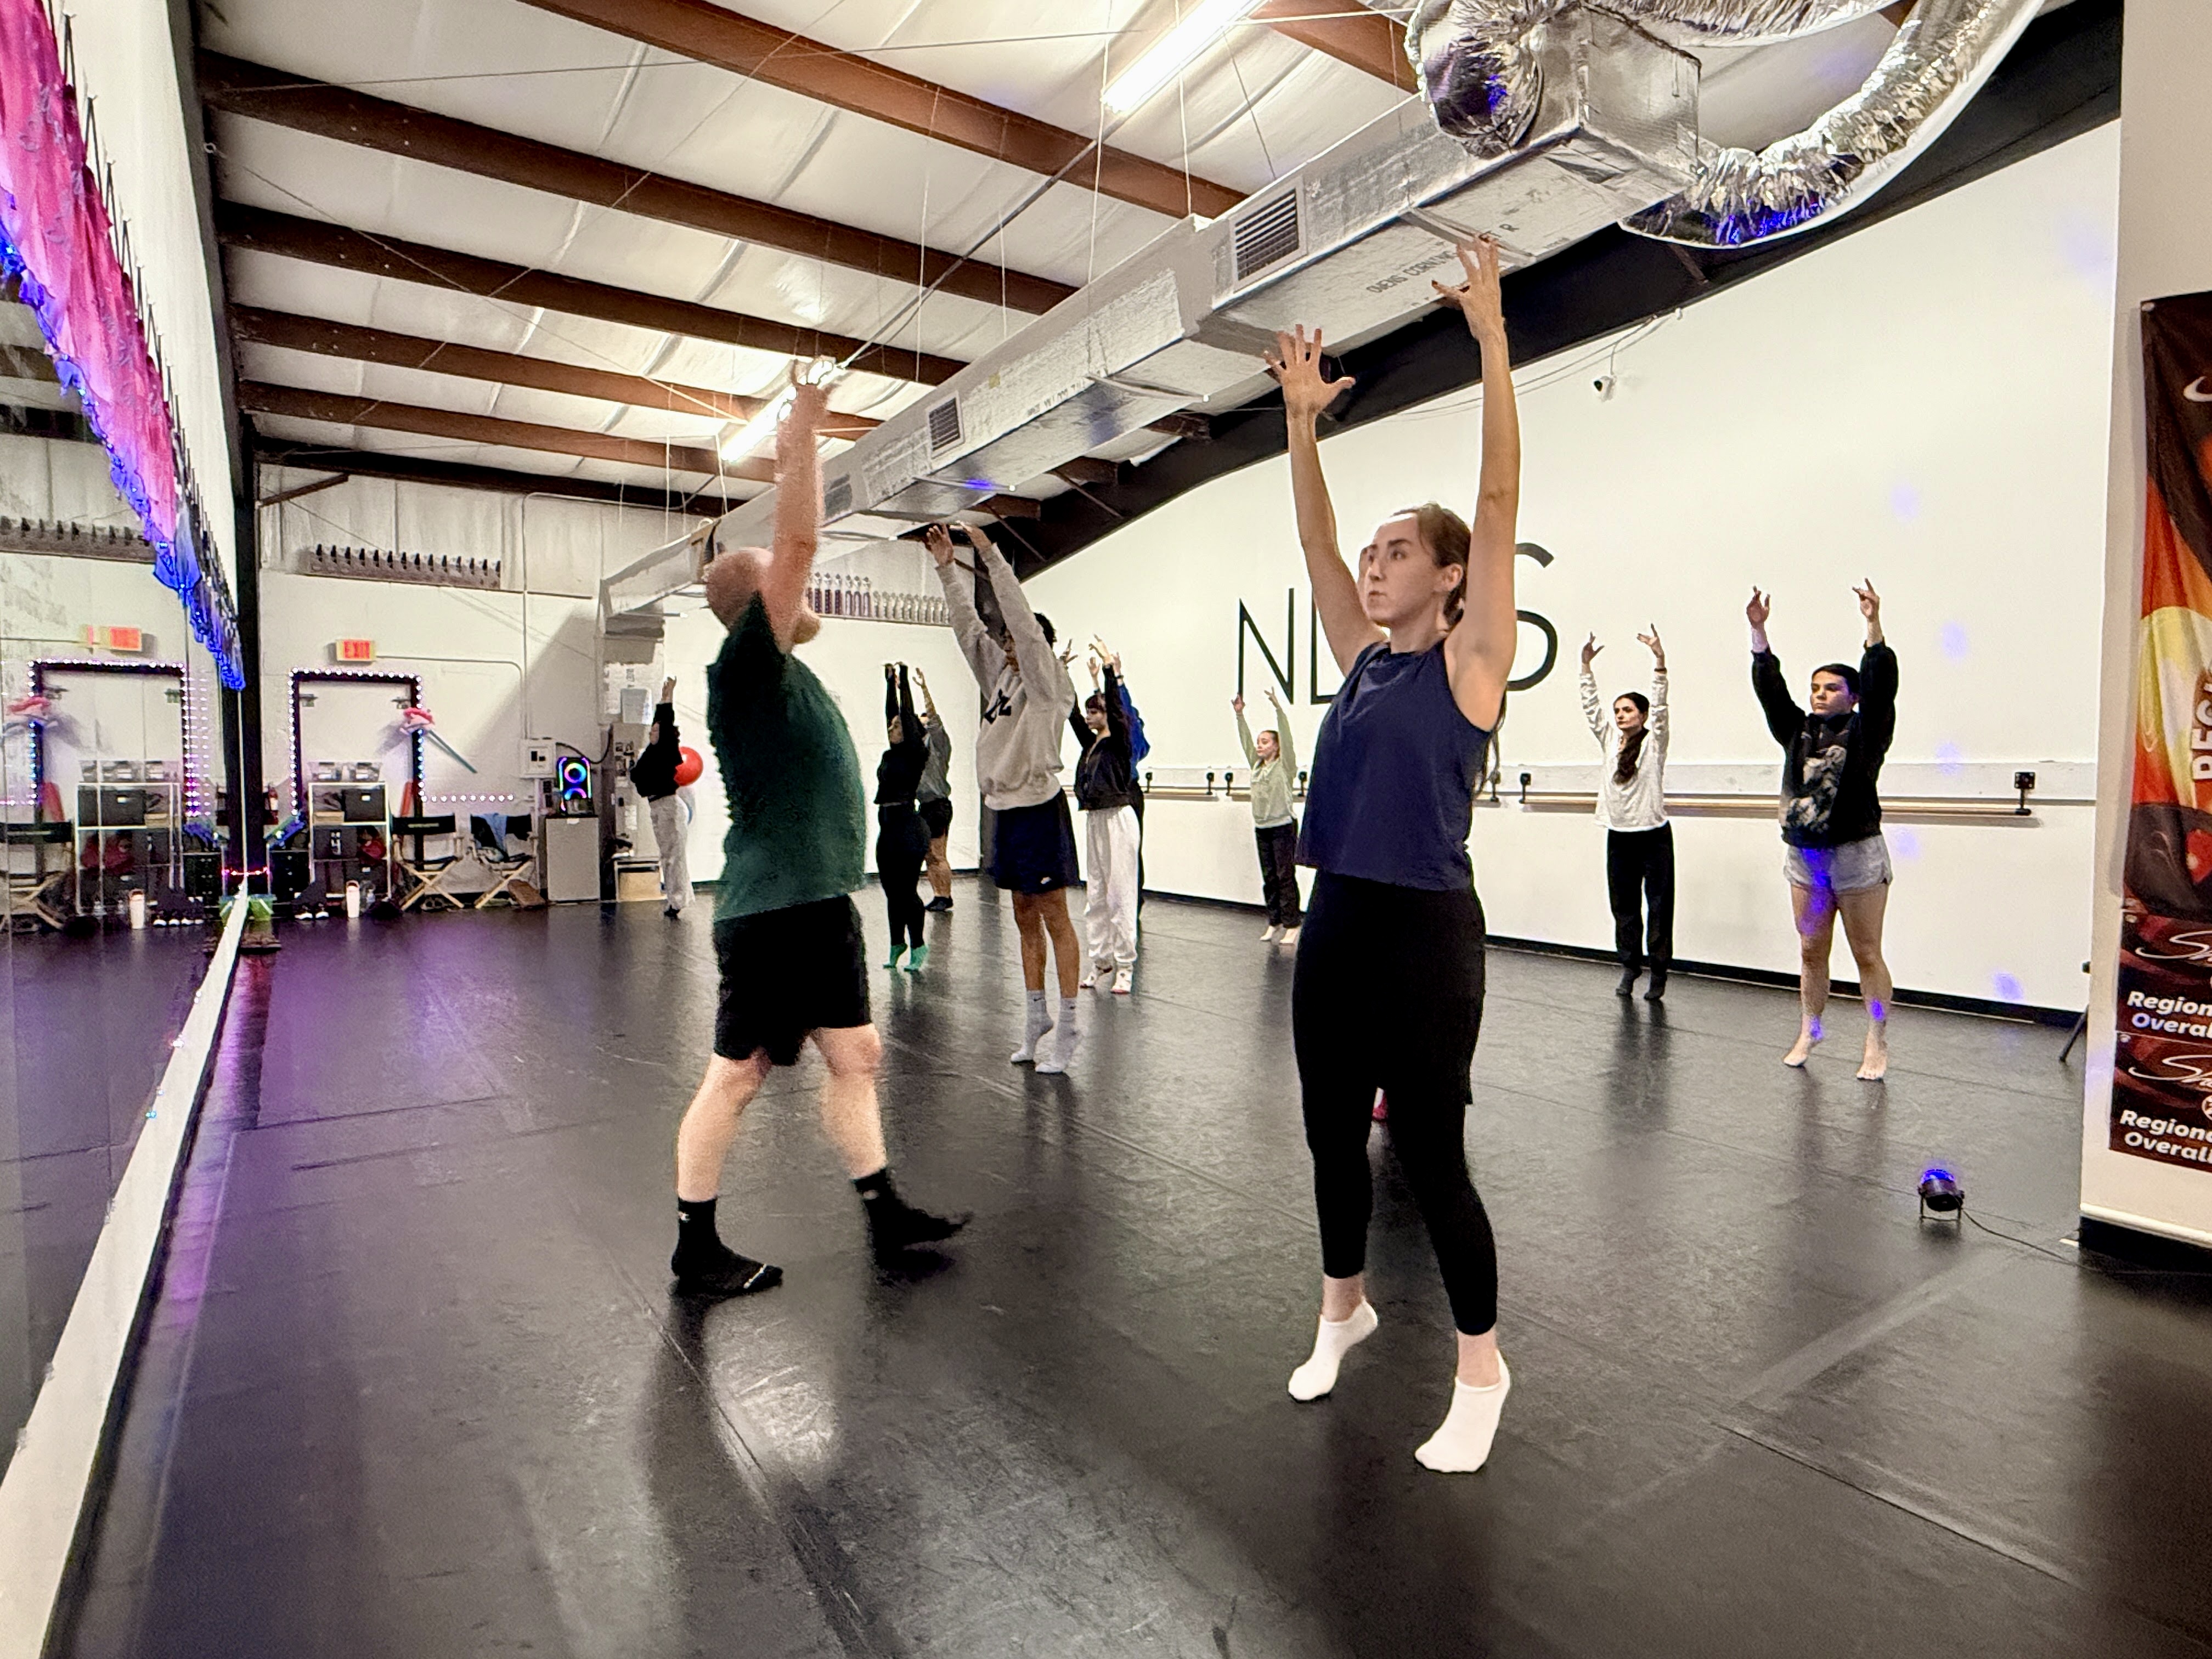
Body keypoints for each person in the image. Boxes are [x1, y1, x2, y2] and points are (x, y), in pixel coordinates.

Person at [1269, 237, 1518, 1474]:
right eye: (1372, 557)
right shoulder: (1362, 657)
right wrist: (1300, 423)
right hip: (1339, 922)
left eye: (1398, 554)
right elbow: (1314, 544)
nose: (1372, 567)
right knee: (1326, 1131)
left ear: (1452, 577)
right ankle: (1343, 1309)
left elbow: (1502, 504)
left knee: (1428, 1150)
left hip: (1427, 930)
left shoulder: (1468, 667)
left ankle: (1480, 1365)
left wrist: (1490, 343)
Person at [670, 374, 964, 1300]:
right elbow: (797, 539)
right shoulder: (746, 666)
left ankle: (885, 1217)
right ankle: (695, 1246)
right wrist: (802, 438)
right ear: (757, 597)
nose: (804, 580)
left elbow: (794, 559)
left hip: (818, 903)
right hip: (772, 909)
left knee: (857, 1057)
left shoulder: (787, 671)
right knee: (738, 1075)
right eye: (780, 576)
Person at [925, 520, 1084, 1073]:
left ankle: (1068, 1025)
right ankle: (1034, 1016)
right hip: (1004, 812)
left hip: (1039, 808)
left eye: (1015, 640)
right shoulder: (1001, 675)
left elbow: (1021, 620)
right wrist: (947, 567)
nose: (1006, 645)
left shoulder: (1046, 682)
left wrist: (989, 553)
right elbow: (969, 631)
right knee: (1021, 914)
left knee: (1055, 915)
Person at [1748, 580, 1899, 1081]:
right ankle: (1810, 1025)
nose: (1819, 694)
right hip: (1807, 856)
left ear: (1852, 698)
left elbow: (1882, 688)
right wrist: (1759, 633)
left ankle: (1876, 1039)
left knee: (1867, 953)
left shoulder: (1867, 730)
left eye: (1831, 688)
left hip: (1856, 854)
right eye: (1815, 688)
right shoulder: (1797, 731)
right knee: (1812, 950)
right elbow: (1772, 694)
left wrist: (1872, 627)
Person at [1579, 627, 1671, 1000]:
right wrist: (1585, 667)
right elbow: (1590, 710)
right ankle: (1630, 967)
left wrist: (1659, 662)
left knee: (1660, 907)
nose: (1620, 715)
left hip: (1653, 835)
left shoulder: (1654, 742)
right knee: (1625, 908)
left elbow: (1662, 707)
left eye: (1628, 710)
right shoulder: (1610, 741)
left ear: (1643, 715)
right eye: (1618, 711)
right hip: (1619, 835)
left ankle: (1659, 972)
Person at [1069, 648, 1141, 994]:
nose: (1088, 716)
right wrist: (1057, 673)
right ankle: (1101, 960)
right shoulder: (1091, 745)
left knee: (1120, 893)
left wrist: (1111, 673)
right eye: (1088, 711)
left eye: (1094, 711)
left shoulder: (1119, 743)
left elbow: (1117, 709)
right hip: (1095, 819)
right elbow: (1070, 714)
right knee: (1096, 893)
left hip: (1118, 818)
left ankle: (1125, 965)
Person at [1234, 686, 1301, 944]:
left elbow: (1287, 737)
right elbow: (1245, 742)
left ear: (1276, 747)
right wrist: (1240, 716)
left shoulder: (1285, 766)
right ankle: (1274, 921)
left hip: (1283, 827)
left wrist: (1277, 708)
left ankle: (1292, 924)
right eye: (1259, 742)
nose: (1260, 746)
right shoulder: (1256, 765)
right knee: (1269, 877)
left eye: (1265, 742)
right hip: (1262, 827)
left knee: (1285, 876)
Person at [876, 663, 930, 972]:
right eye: (891, 727)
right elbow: (890, 715)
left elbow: (905, 716)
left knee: (906, 892)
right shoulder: (889, 755)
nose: (891, 729)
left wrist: (905, 682)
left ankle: (919, 945)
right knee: (890, 890)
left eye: (897, 727)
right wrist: (889, 684)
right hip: (888, 827)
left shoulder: (914, 754)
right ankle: (898, 943)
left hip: (910, 829)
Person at [630, 675, 690, 918]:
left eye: (656, 730)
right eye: (652, 730)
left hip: (667, 805)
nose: (652, 732)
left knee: (674, 855)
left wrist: (668, 700)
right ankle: (676, 899)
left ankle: (677, 901)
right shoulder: (651, 753)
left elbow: (665, 722)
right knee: (669, 855)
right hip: (658, 805)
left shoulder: (664, 750)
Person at [914, 667, 956, 911]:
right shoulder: (919, 749)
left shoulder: (939, 745)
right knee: (929, 854)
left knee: (937, 852)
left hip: (938, 805)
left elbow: (936, 721)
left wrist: (924, 690)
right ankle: (939, 894)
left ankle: (945, 895)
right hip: (926, 806)